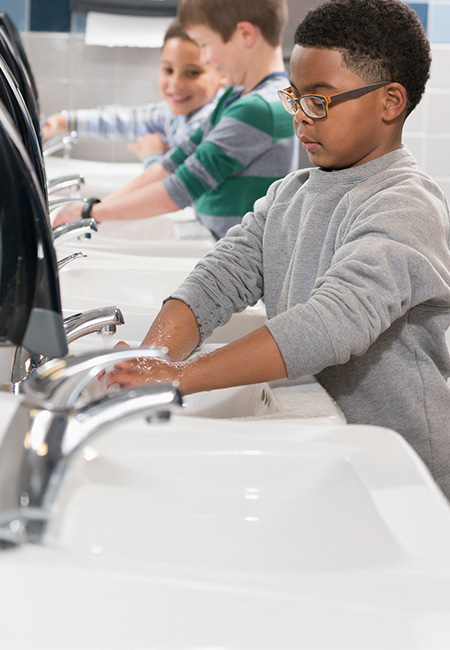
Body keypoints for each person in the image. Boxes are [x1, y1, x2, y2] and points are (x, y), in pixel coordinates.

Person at [107, 0, 450, 500]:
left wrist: (180, 377)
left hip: (403, 480)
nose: (301, 119)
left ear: (390, 101)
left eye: (320, 100)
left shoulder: (405, 205)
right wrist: (151, 357)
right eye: (296, 97)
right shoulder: (291, 194)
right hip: (331, 450)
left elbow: (332, 322)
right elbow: (217, 280)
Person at [53, 0, 299, 241]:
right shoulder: (235, 97)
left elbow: (181, 188)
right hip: (222, 245)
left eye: (204, 44)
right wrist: (97, 208)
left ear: (245, 34)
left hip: (243, 262)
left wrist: (91, 212)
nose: (205, 59)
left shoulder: (259, 109)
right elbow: (175, 161)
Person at [43, 20, 225, 169]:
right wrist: (60, 121)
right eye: (168, 70)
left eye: (192, 73)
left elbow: (170, 190)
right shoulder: (176, 114)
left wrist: (152, 156)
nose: (175, 83)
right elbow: (123, 120)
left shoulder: (209, 122)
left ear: (222, 73)